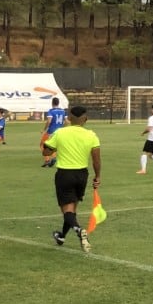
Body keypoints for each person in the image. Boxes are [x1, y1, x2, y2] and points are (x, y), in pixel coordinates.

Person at [42, 104, 101, 253]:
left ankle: (80, 230)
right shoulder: (91, 135)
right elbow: (96, 160)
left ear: (68, 118)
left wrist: (52, 146)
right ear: (86, 119)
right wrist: (98, 176)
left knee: (67, 210)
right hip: (82, 174)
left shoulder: (60, 133)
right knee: (72, 209)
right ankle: (61, 236)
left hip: (65, 174)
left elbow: (46, 151)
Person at [40, 97, 68, 168]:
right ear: (58, 103)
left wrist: (44, 130)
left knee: (42, 145)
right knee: (54, 146)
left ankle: (48, 160)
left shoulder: (51, 111)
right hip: (59, 132)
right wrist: (62, 128)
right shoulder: (63, 111)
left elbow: (49, 121)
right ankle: (52, 158)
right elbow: (67, 122)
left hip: (51, 131)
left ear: (52, 103)